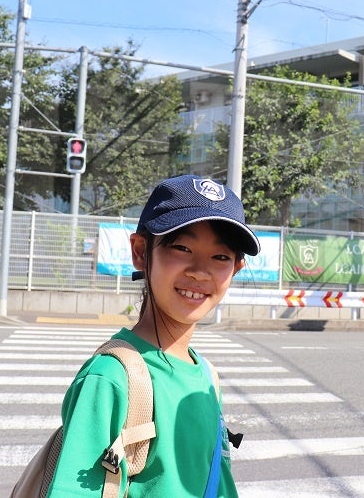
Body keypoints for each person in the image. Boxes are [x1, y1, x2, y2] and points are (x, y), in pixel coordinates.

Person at [46, 175, 260, 497]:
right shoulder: (112, 377)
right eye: (182, 247)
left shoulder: (207, 379)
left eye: (220, 257)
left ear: (235, 270)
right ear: (140, 251)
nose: (200, 271)